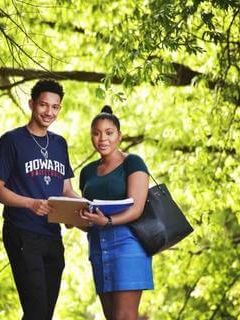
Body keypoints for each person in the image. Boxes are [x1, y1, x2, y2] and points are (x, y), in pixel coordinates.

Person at [0, 79, 78, 320]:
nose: (49, 112)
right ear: (31, 104)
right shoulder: (11, 140)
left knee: (42, 313)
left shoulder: (59, 144)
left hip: (52, 235)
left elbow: (67, 190)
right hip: (22, 232)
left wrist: (78, 211)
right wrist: (30, 203)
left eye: (55, 107)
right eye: (43, 105)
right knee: (37, 310)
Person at [78, 105, 153, 320]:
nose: (103, 139)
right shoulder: (87, 172)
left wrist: (109, 221)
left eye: (109, 133)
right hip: (98, 247)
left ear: (119, 136)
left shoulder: (133, 162)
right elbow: (91, 218)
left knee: (124, 317)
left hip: (127, 244)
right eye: (96, 133)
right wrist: (75, 219)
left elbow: (136, 208)